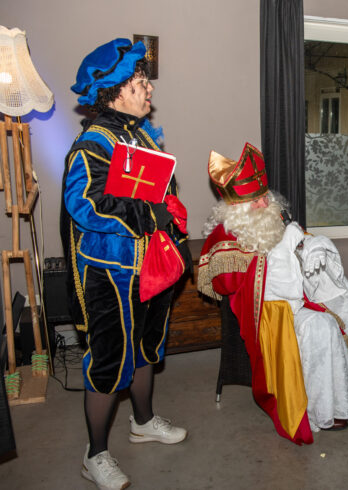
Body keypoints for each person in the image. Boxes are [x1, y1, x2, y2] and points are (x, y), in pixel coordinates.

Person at [61, 38, 188, 490]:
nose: (148, 88)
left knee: (147, 347)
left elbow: (156, 189)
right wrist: (146, 214)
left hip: (146, 266)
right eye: (139, 82)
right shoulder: (93, 142)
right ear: (115, 91)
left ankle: (143, 422)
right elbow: (84, 202)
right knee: (109, 361)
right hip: (109, 271)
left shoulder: (138, 133)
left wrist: (167, 211)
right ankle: (94, 455)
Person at [198, 144, 348, 444]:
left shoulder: (273, 216)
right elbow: (224, 285)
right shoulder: (227, 235)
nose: (264, 203)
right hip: (272, 313)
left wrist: (312, 246)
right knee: (322, 327)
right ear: (236, 207)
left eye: (264, 195)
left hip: (302, 294)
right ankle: (325, 408)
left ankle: (344, 392)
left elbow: (298, 240)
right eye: (256, 200)